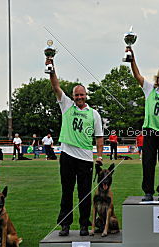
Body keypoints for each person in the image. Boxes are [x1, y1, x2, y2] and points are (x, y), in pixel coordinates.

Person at [46, 56, 103, 237]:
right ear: (73, 96)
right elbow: (56, 86)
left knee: (84, 194)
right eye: (76, 95)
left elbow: (99, 137)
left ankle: (84, 224)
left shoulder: (94, 114)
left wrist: (99, 156)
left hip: (86, 158)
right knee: (67, 192)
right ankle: (65, 224)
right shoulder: (66, 105)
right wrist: (51, 66)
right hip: (67, 156)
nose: (79, 97)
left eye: (82, 95)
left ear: (86, 96)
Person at [127, 46, 159, 201]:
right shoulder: (150, 89)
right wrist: (132, 58)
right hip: (150, 131)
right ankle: (148, 192)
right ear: (157, 79)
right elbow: (137, 75)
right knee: (148, 163)